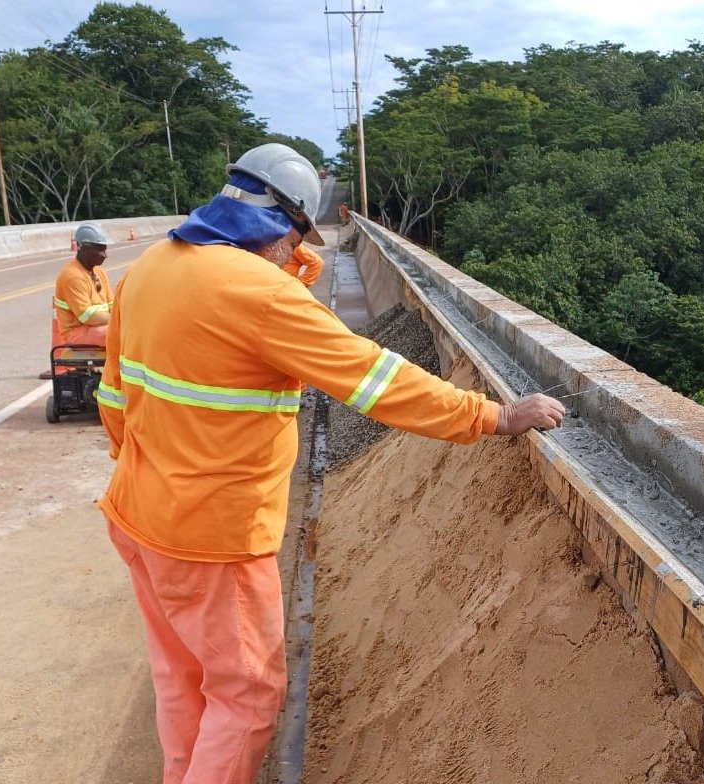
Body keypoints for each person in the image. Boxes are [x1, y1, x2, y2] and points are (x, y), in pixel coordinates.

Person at [95, 142, 564, 784]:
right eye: (298, 237)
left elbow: (114, 397)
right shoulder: (258, 294)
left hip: (136, 514)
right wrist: (491, 416)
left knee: (182, 681)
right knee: (248, 699)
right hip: (213, 541)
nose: (298, 250)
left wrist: (149, 472)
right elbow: (375, 381)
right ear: (285, 222)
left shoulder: (152, 265)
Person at [53, 223, 112, 348]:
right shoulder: (72, 277)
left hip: (96, 327)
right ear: (84, 249)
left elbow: (112, 304)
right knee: (121, 334)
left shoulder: (100, 273)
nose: (105, 255)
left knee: (132, 330)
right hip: (77, 333)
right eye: (100, 249)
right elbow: (87, 317)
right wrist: (116, 320)